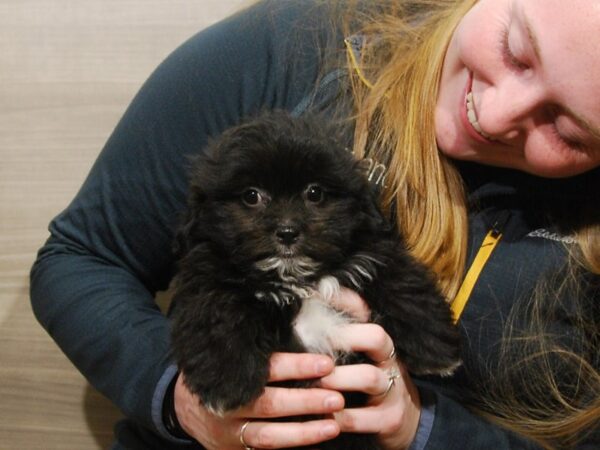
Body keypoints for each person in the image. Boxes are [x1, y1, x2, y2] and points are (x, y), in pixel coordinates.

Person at [30, 0, 599, 448]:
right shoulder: (285, 50)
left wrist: (422, 432)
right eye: (516, 49)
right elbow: (81, 257)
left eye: (568, 130)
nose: (495, 116)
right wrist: (176, 395)